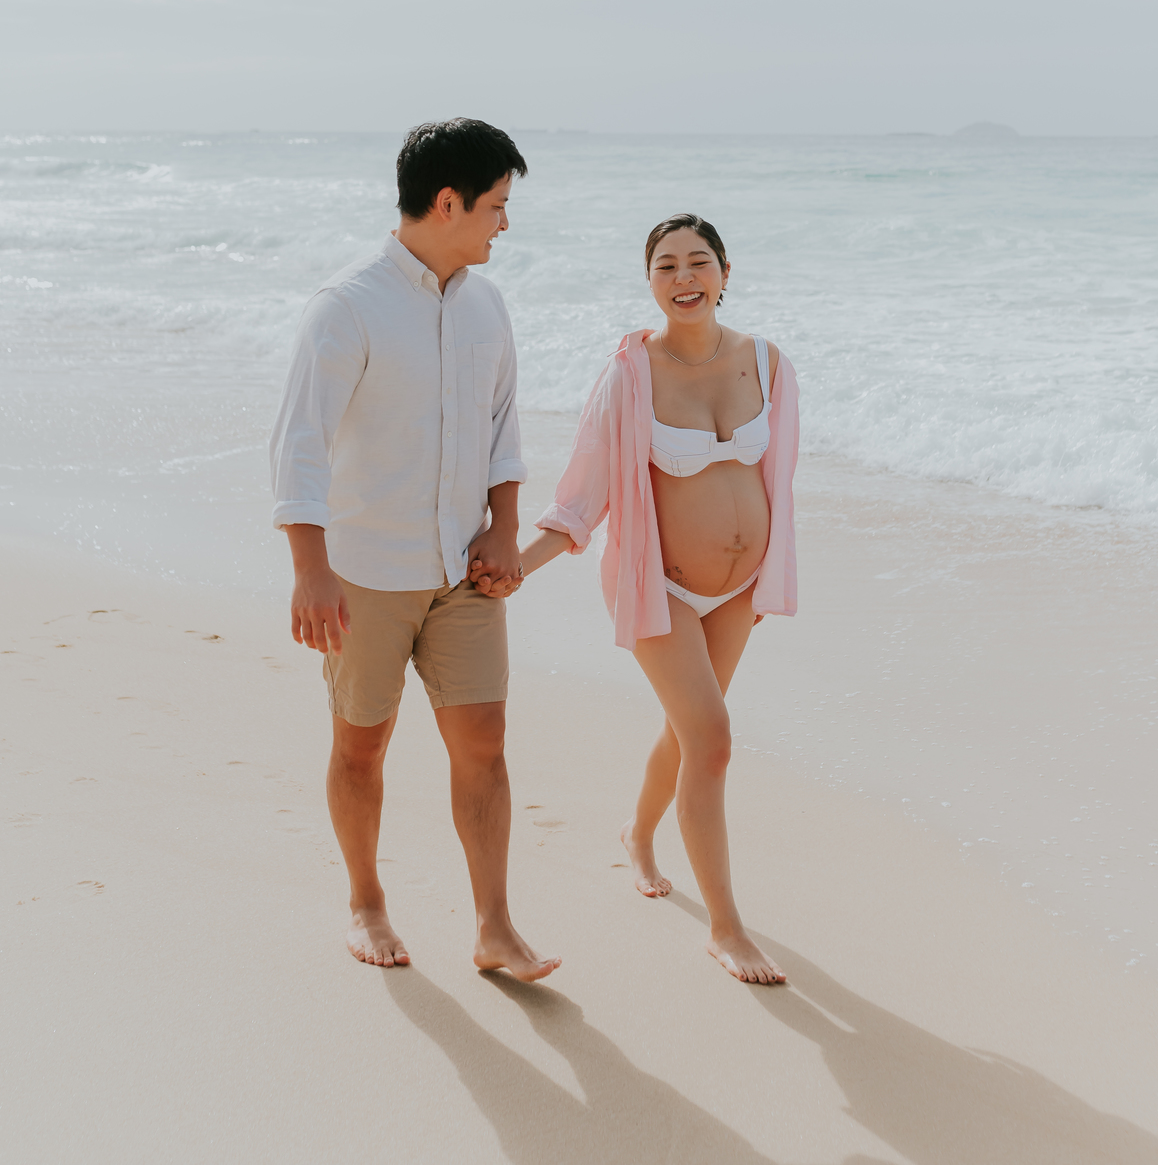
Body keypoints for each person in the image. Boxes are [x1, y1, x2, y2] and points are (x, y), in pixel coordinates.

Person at [270, 118, 559, 981]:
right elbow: (299, 447)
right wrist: (310, 572)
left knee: (485, 743)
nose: (504, 224)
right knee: (363, 744)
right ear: (447, 202)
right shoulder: (346, 308)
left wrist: (506, 528)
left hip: (463, 573)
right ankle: (365, 899)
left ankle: (495, 927)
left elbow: (505, 429)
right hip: (366, 576)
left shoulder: (486, 306)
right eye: (497, 206)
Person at [475, 214, 798, 985]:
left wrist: (761, 570)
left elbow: (774, 479)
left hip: (737, 589)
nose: (683, 277)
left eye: (697, 262)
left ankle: (638, 834)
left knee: (690, 730)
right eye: (665, 266)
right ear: (649, 282)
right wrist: (521, 562)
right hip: (661, 586)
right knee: (712, 737)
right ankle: (726, 928)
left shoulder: (769, 363)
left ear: (724, 271)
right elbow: (585, 492)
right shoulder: (630, 374)